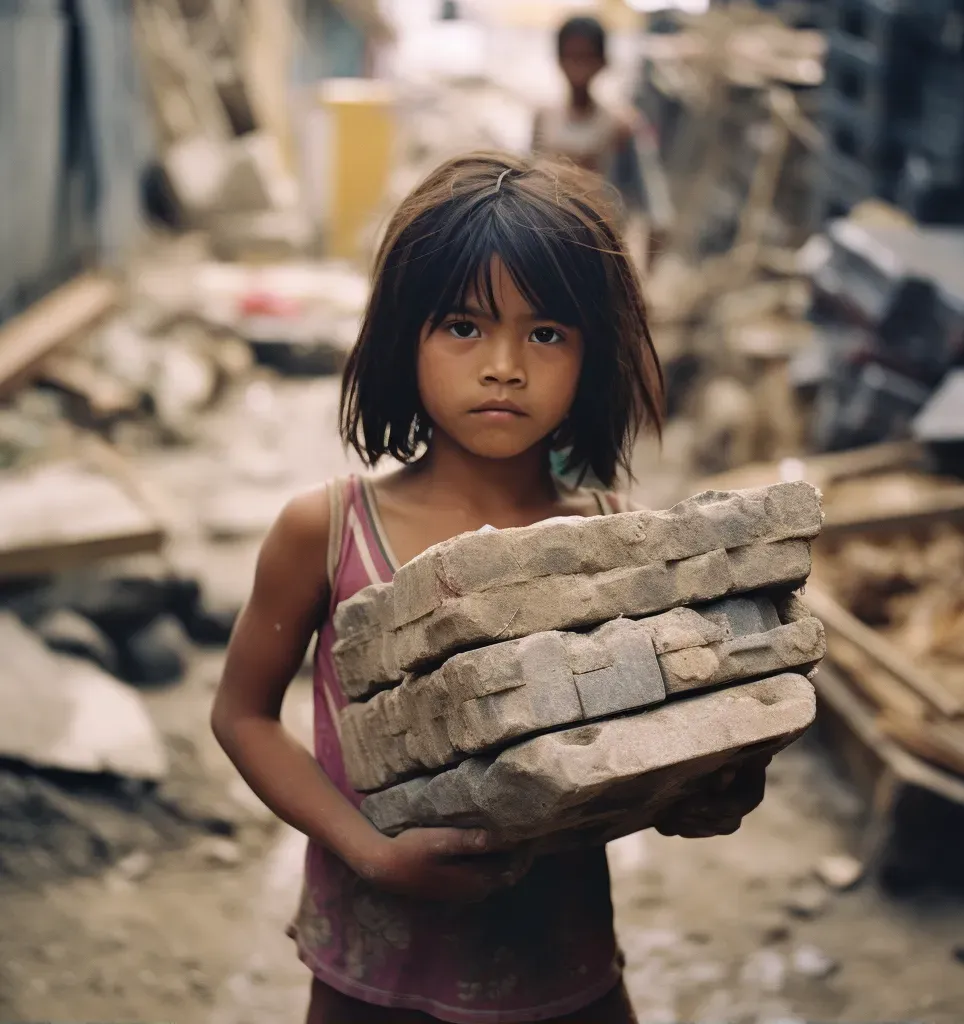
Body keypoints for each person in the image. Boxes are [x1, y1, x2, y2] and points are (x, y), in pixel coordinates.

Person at [211, 152, 771, 1024]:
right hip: (374, 972)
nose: (504, 365)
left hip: (561, 966)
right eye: (463, 327)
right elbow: (242, 714)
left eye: (545, 333)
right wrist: (368, 852)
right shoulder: (324, 531)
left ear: (591, 354)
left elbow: (644, 743)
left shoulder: (620, 543)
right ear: (405, 336)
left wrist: (705, 788)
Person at [532, 16, 673, 272]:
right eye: (570, 56)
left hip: (600, 260)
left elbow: (656, 209)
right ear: (558, 59)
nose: (578, 66)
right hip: (547, 258)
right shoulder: (545, 120)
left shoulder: (622, 126)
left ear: (602, 62)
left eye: (586, 57)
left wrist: (642, 279)